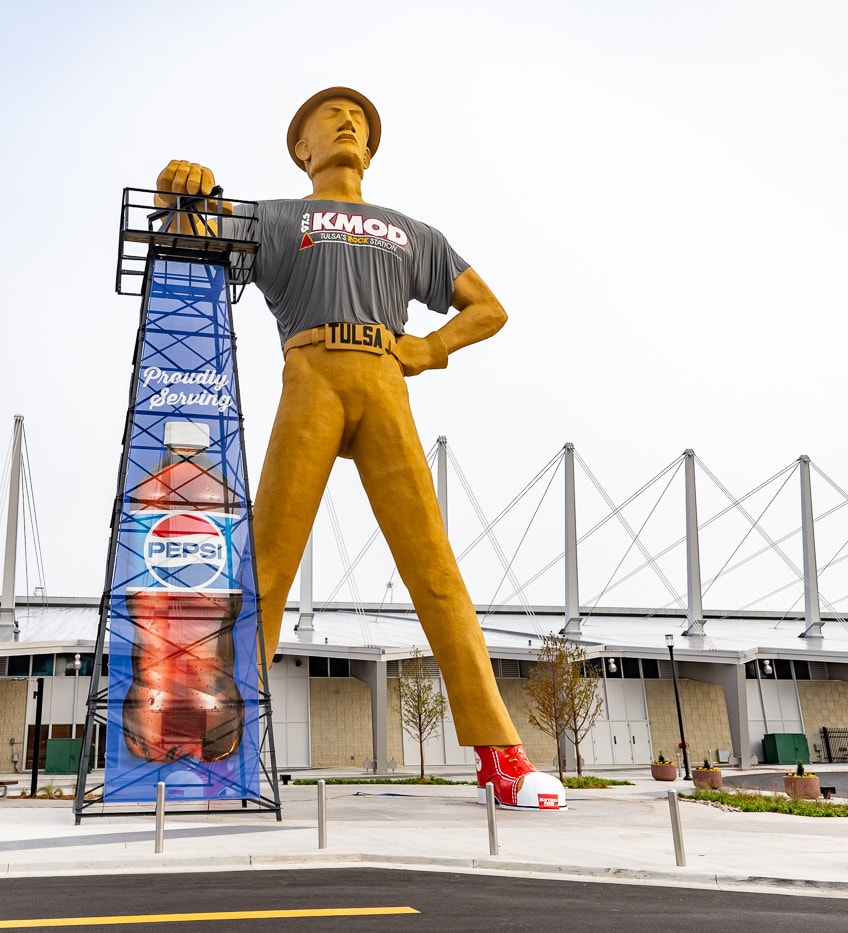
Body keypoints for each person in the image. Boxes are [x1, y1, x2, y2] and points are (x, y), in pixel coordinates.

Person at [154, 88, 564, 810]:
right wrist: (176, 186)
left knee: (435, 570)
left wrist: (432, 346)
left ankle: (501, 755)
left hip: (383, 383)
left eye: (360, 121)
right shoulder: (278, 218)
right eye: (329, 116)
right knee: (270, 564)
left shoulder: (413, 233)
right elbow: (197, 227)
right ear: (302, 150)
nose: (348, 121)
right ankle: (223, 743)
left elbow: (489, 307)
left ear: (369, 150)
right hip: (311, 376)